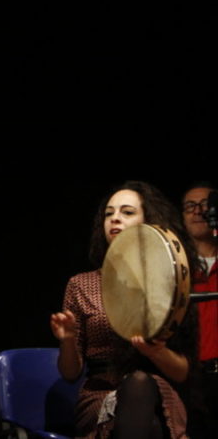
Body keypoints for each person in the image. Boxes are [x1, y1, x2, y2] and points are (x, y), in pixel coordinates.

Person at [50, 181, 196, 439]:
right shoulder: (81, 284)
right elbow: (70, 374)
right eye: (109, 213)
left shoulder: (171, 282)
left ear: (149, 220)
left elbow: (183, 372)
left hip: (160, 394)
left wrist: (157, 352)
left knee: (142, 387)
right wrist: (68, 340)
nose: (115, 218)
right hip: (101, 395)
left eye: (127, 212)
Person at [181, 182, 217, 437]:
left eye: (205, 205)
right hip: (190, 377)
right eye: (189, 206)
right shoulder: (175, 265)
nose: (197, 211)